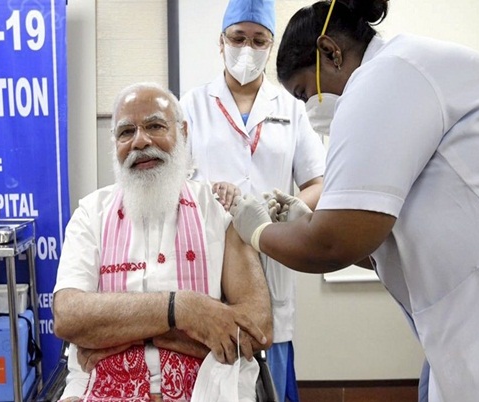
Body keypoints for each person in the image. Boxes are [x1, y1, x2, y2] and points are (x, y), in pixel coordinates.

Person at [229, 0, 479, 401]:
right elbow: (383, 240)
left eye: (304, 93)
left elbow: (333, 244)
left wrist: (259, 231)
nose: (310, 110)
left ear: (330, 52)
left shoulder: (387, 77)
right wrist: (303, 220)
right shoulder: (410, 69)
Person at [52, 82, 273, 402]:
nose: (140, 141)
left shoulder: (219, 210)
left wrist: (118, 334)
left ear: (182, 132)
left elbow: (256, 326)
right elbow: (69, 316)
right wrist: (183, 310)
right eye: (126, 132)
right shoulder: (91, 214)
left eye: (155, 126)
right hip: (103, 386)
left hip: (205, 387)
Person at [179, 1, 327, 400]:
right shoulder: (192, 105)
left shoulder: (291, 108)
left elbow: (318, 181)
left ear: (271, 45)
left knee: (272, 372)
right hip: (210, 257)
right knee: (213, 370)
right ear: (221, 41)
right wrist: (209, 196)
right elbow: (174, 185)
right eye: (238, 38)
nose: (247, 48)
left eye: (258, 40)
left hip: (272, 253)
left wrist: (281, 204)